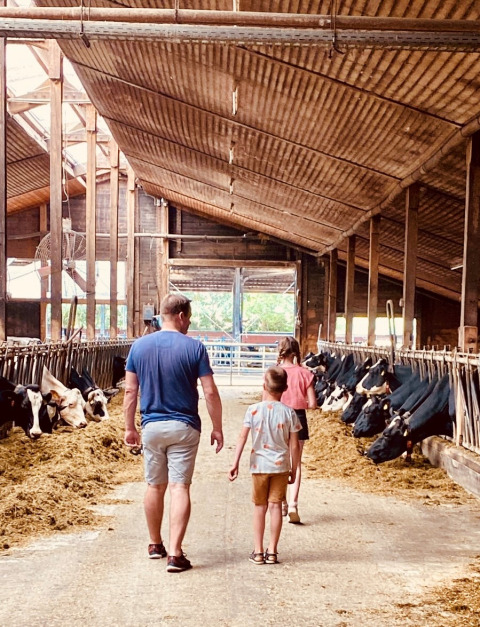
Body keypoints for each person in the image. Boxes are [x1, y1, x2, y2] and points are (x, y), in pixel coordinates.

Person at [124, 293, 223, 573]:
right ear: (180, 315)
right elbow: (210, 392)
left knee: (155, 486)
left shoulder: (139, 347)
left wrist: (130, 427)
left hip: (152, 427)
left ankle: (155, 544)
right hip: (184, 427)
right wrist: (217, 427)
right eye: (189, 317)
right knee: (179, 486)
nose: (189, 323)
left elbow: (131, 390)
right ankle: (175, 554)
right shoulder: (195, 348)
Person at [228, 366, 300, 565]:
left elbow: (242, 437)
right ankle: (273, 551)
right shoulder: (289, 413)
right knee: (275, 506)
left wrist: (235, 463)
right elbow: (294, 445)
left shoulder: (252, 410)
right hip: (280, 467)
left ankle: (258, 552)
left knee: (260, 507)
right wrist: (294, 468)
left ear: (264, 386)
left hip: (259, 466)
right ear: (285, 388)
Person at [276, 336, 316, 524]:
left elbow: (265, 400)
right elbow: (313, 403)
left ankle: (282, 501)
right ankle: (293, 504)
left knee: (280, 460)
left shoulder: (274, 372)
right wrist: (300, 402)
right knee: (296, 463)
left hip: (278, 419)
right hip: (298, 418)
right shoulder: (305, 373)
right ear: (296, 352)